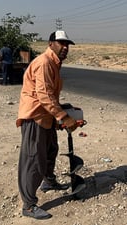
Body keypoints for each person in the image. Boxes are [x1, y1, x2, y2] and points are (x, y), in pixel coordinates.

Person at [16, 30, 78, 220]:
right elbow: (43, 95)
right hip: (35, 116)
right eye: (61, 43)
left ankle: (49, 181)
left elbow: (51, 94)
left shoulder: (54, 63)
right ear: (51, 44)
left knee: (51, 149)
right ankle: (28, 205)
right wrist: (63, 117)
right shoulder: (44, 62)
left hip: (46, 116)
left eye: (67, 44)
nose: (65, 47)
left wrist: (63, 109)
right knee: (34, 160)